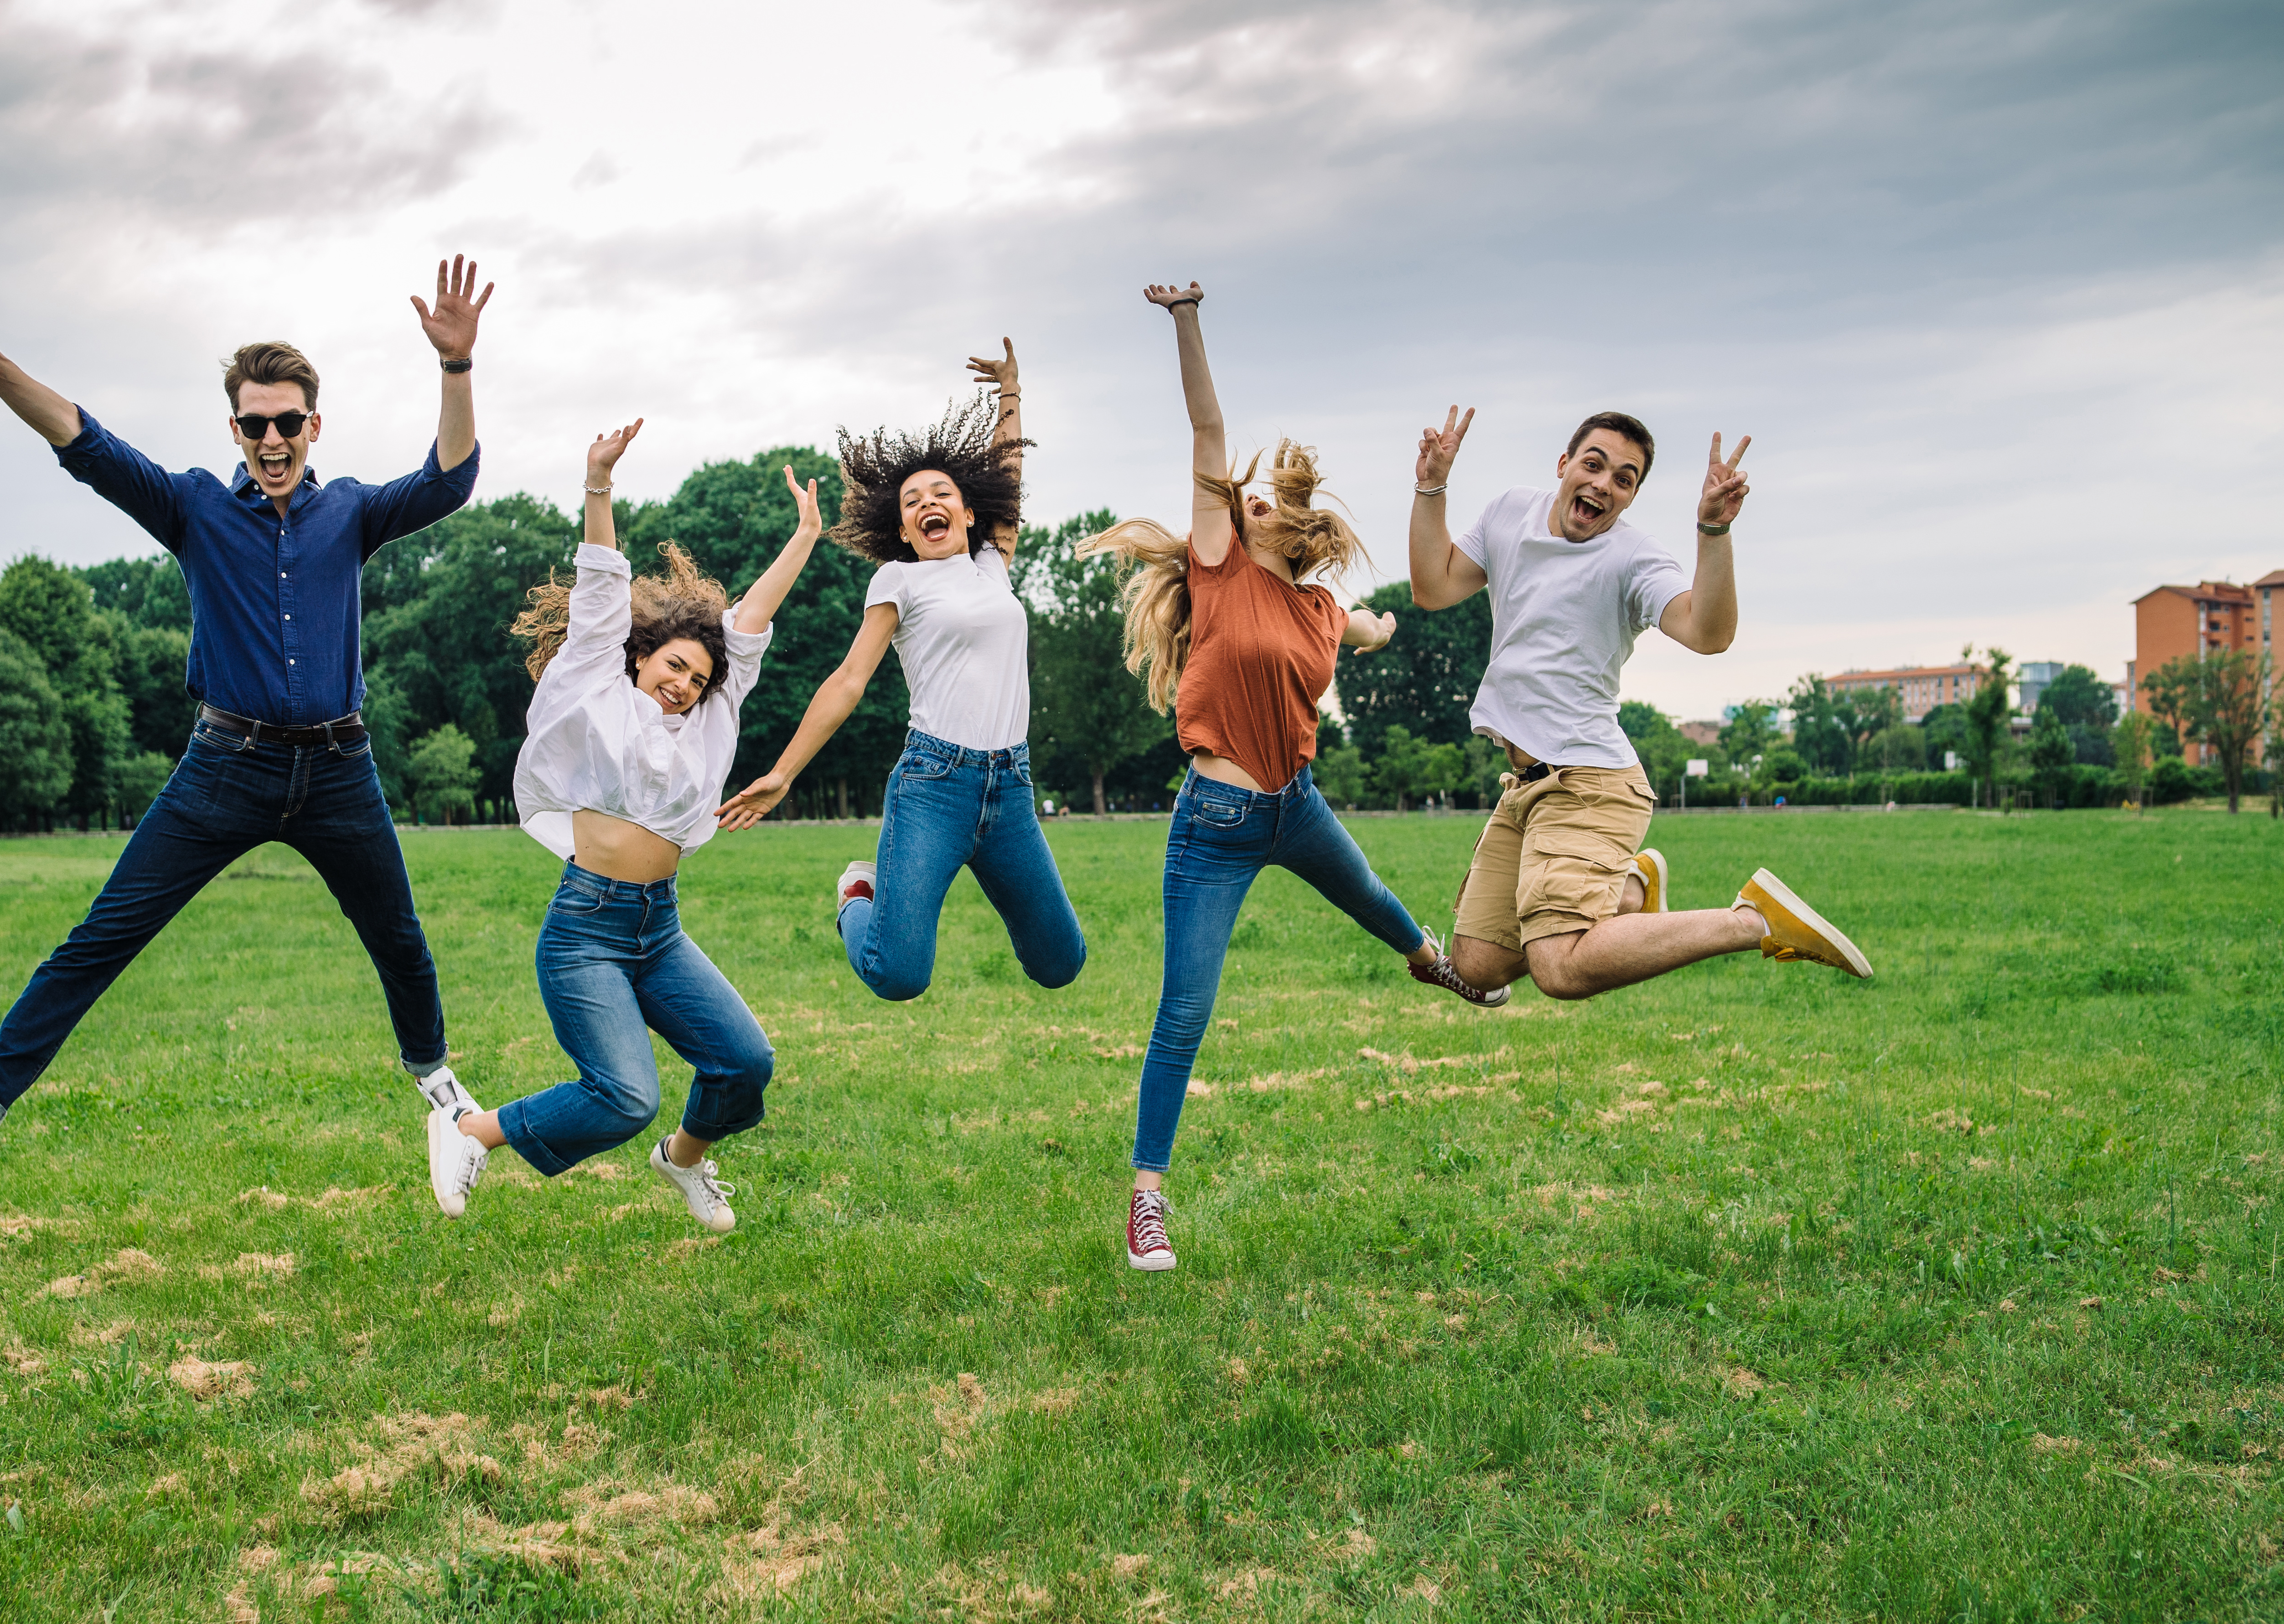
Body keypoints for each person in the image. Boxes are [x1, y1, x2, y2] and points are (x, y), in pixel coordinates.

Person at [0, 252, 490, 1178]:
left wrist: (456, 366)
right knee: (105, 932)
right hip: (224, 769)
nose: (271, 441)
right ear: (234, 427)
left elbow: (449, 482)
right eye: (253, 424)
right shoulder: (195, 506)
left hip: (338, 770)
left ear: (313, 425)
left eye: (286, 424)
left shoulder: (350, 513)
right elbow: (87, 443)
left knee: (399, 939)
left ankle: (448, 1108)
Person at [1083, 282, 1503, 1276]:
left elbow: (1358, 625)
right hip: (1215, 822)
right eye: (1244, 493)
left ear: (1289, 522)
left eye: (1264, 497)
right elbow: (1207, 424)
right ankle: (1145, 1199)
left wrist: (1384, 625)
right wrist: (1186, 321)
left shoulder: (1318, 609)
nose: (1248, 497)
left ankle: (1428, 958)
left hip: (1296, 807)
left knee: (1370, 895)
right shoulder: (1219, 563)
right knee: (1183, 1009)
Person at [425, 421, 821, 1231]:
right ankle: (471, 1128)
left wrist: (806, 536)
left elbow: (747, 629)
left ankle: (684, 1158)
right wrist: (598, 484)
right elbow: (603, 586)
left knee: (745, 1063)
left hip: (660, 928)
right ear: (642, 656)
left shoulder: (710, 723)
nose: (685, 683)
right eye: (675, 664)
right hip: (586, 928)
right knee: (626, 1094)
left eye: (699, 677)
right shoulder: (594, 686)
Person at [1408, 406, 1871, 1003]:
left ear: (1629, 498)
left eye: (1623, 479)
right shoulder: (1508, 514)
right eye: (1593, 464)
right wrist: (1431, 487)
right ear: (1564, 464)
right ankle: (1629, 891)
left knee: (1558, 968)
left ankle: (1753, 919)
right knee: (1478, 965)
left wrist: (1712, 531)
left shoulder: (1632, 558)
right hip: (1525, 783)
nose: (1603, 484)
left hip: (1590, 782)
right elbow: (1432, 587)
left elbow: (1707, 632)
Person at [713, 342, 1085, 1003]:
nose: (928, 503)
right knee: (897, 975)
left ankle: (901, 893)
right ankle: (858, 894)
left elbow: (1009, 473)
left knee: (1061, 962)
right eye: (914, 501)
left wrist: (1010, 393)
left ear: (969, 514)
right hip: (933, 785)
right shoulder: (900, 579)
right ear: (906, 529)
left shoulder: (992, 565)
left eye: (943, 493)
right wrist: (782, 772)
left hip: (1011, 788)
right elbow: (850, 679)